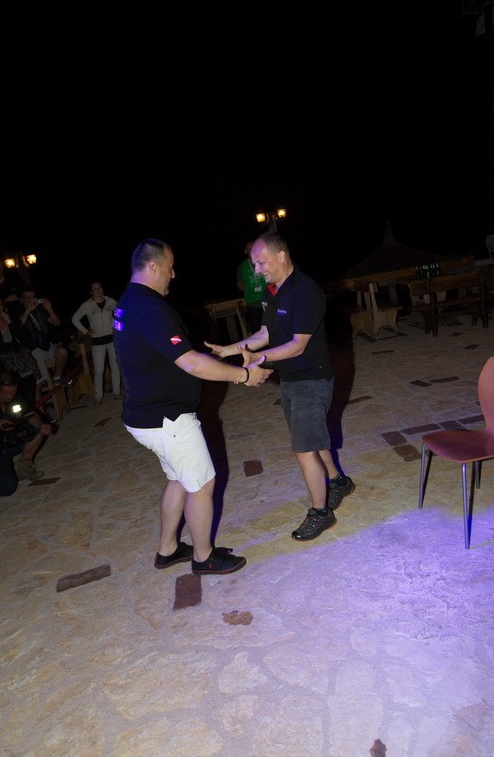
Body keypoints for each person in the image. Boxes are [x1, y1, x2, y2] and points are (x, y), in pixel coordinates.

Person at [113, 238, 273, 575]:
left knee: (177, 479)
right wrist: (244, 376)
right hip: (167, 418)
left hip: (145, 415)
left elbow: (169, 356)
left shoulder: (128, 302)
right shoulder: (150, 308)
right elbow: (190, 363)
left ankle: (168, 549)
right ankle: (203, 557)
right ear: (153, 266)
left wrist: (221, 359)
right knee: (201, 484)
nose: (173, 274)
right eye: (169, 267)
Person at [205, 231, 355, 541]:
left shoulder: (305, 290)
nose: (257, 270)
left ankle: (320, 513)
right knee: (312, 438)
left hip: (311, 379)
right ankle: (339, 482)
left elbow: (298, 344)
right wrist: (229, 350)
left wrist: (258, 359)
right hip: (292, 379)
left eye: (261, 263)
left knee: (304, 449)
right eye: (254, 265)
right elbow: (264, 334)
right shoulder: (272, 291)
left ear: (281, 256)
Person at [0, 371, 53, 495]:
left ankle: (24, 467)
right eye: (6, 394)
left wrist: (41, 425)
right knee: (8, 488)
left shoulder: (14, 397)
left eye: (13, 393)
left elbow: (30, 414)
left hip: (6, 443)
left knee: (36, 430)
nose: (10, 397)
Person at [71, 280, 121, 408]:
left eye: (100, 287)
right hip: (97, 342)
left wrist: (117, 327)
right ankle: (98, 397)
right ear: (91, 292)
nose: (98, 290)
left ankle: (117, 393)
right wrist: (85, 331)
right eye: (95, 289)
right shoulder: (87, 305)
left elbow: (120, 313)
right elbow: (75, 319)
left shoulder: (111, 301)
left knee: (115, 366)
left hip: (112, 339)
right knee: (99, 370)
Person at [16, 287, 69, 390]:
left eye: (33, 297)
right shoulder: (18, 312)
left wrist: (49, 309)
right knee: (39, 381)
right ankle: (42, 394)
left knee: (63, 352)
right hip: (31, 349)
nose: (31, 300)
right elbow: (18, 327)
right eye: (28, 297)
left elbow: (57, 323)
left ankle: (56, 378)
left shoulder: (40, 310)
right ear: (21, 299)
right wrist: (28, 311)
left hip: (45, 344)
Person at [0, 296, 41, 404]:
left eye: (0, 305)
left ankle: (31, 408)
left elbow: (24, 338)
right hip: (3, 363)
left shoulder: (9, 318)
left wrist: (9, 322)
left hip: (19, 359)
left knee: (29, 379)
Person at [237, 239, 266, 333]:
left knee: (271, 329)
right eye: (249, 249)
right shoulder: (242, 267)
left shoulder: (264, 262)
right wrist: (250, 290)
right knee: (257, 331)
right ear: (246, 251)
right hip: (252, 304)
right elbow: (240, 285)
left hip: (267, 302)